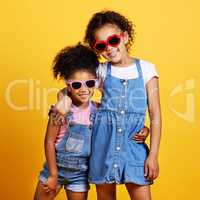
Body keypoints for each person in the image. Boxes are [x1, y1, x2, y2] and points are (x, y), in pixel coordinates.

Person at [83, 10, 162, 200]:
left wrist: (153, 156)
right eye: (101, 46)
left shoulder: (146, 69)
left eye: (113, 41)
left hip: (133, 148)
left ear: (125, 37)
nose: (109, 48)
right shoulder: (101, 71)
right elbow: (78, 93)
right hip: (103, 146)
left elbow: (155, 115)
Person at [34, 43, 99, 200]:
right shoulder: (60, 110)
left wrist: (145, 130)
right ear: (68, 86)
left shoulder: (98, 110)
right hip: (54, 168)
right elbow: (49, 141)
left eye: (89, 83)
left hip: (80, 175)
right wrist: (53, 174)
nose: (84, 89)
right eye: (77, 85)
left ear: (96, 82)